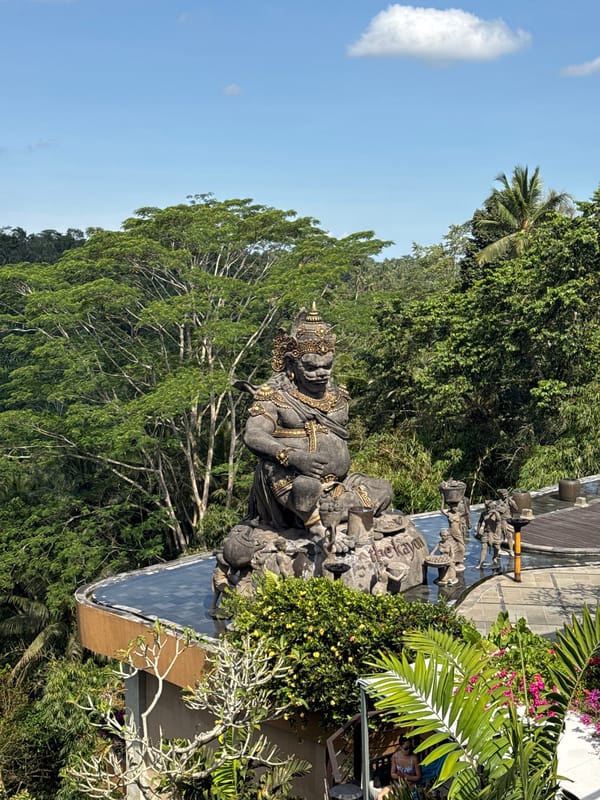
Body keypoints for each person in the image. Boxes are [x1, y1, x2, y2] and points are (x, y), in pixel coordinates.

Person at [240, 304, 393, 537]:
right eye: (311, 367)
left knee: (384, 489)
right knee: (303, 486)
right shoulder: (275, 397)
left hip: (339, 485)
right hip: (292, 482)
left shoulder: (338, 397)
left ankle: (333, 510)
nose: (321, 373)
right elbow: (253, 435)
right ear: (292, 364)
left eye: (327, 366)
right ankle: (320, 518)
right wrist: (293, 456)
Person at [476, 499, 503, 568]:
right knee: (483, 548)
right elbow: (480, 522)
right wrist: (478, 531)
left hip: (494, 533)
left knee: (497, 547)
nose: (488, 509)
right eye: (486, 507)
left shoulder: (496, 514)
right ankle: (481, 562)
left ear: (492, 507)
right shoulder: (483, 513)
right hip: (486, 532)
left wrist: (495, 512)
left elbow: (499, 520)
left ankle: (494, 557)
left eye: (489, 507)